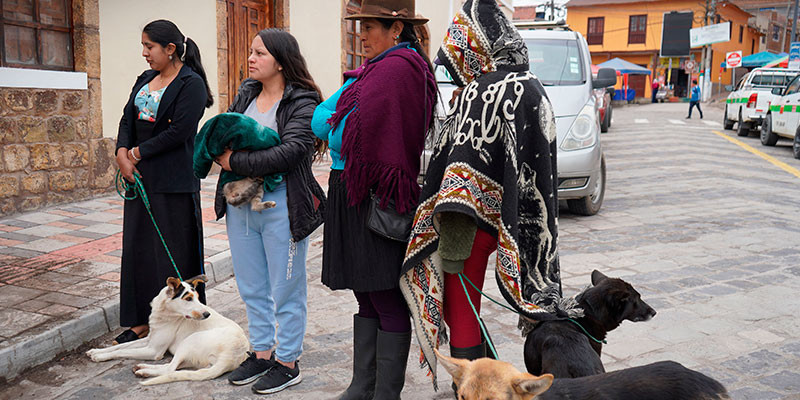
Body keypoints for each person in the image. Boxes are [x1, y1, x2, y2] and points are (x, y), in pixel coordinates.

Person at [399, 0, 570, 392]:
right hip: (523, 218)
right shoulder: (534, 87)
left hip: (467, 223)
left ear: (477, 43)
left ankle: (471, 385)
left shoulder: (477, 90)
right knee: (529, 297)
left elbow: (452, 162)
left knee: (462, 309)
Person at [311, 0, 436, 398]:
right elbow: (322, 120)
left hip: (376, 193)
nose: (361, 34)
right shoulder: (372, 72)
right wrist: (335, 119)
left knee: (384, 293)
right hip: (351, 190)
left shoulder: (399, 69)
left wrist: (334, 120)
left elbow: (334, 128)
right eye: (359, 26)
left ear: (395, 29)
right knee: (365, 291)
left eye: (369, 26)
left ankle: (386, 393)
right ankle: (363, 385)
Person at [214, 29, 326, 395]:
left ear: (279, 60)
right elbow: (222, 135)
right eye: (250, 51)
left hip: (283, 208)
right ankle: (262, 354)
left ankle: (288, 361)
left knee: (286, 289)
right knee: (251, 287)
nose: (250, 58)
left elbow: (292, 151)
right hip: (241, 206)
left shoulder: (302, 100)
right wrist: (226, 154)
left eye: (259, 53)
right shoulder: (247, 93)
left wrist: (235, 159)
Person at [114, 19, 213, 346]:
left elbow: (180, 132)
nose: (144, 53)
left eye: (149, 47)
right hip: (139, 180)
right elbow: (127, 117)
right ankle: (140, 321)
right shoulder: (145, 79)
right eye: (143, 46)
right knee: (139, 251)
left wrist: (137, 153)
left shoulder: (190, 84)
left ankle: (183, 326)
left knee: (172, 253)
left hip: (173, 182)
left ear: (170, 49)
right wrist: (121, 153)